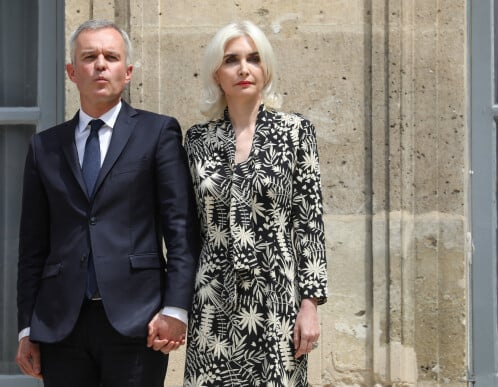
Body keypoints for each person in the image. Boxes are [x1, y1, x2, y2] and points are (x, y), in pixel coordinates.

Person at [15, 19, 197, 387]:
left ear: (127, 72)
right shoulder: (44, 147)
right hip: (59, 324)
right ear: (71, 71)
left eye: (111, 56)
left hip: (138, 320)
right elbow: (32, 247)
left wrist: (176, 309)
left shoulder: (157, 133)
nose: (100, 64)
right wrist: (26, 328)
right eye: (89, 56)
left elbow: (181, 229)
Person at [183, 20, 328, 386]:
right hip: (213, 294)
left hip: (277, 293)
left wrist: (309, 305)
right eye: (231, 60)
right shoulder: (197, 139)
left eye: (254, 59)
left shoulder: (296, 132)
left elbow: (309, 225)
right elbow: (186, 227)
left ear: (266, 69)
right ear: (217, 73)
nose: (244, 69)